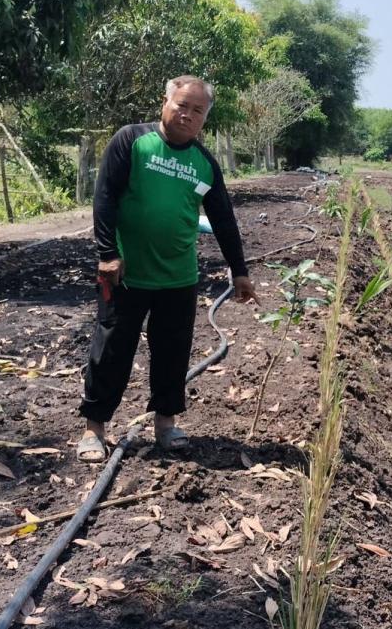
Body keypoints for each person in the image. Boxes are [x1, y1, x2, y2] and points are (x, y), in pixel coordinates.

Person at [77, 75, 258, 462]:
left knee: (173, 352)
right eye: (181, 104)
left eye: (197, 110)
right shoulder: (131, 140)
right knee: (111, 348)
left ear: (205, 118)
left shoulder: (205, 164)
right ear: (166, 101)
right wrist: (107, 252)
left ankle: (166, 423)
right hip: (124, 274)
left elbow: (223, 219)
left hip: (178, 277)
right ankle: (94, 428)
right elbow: (105, 198)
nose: (187, 114)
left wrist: (239, 270)